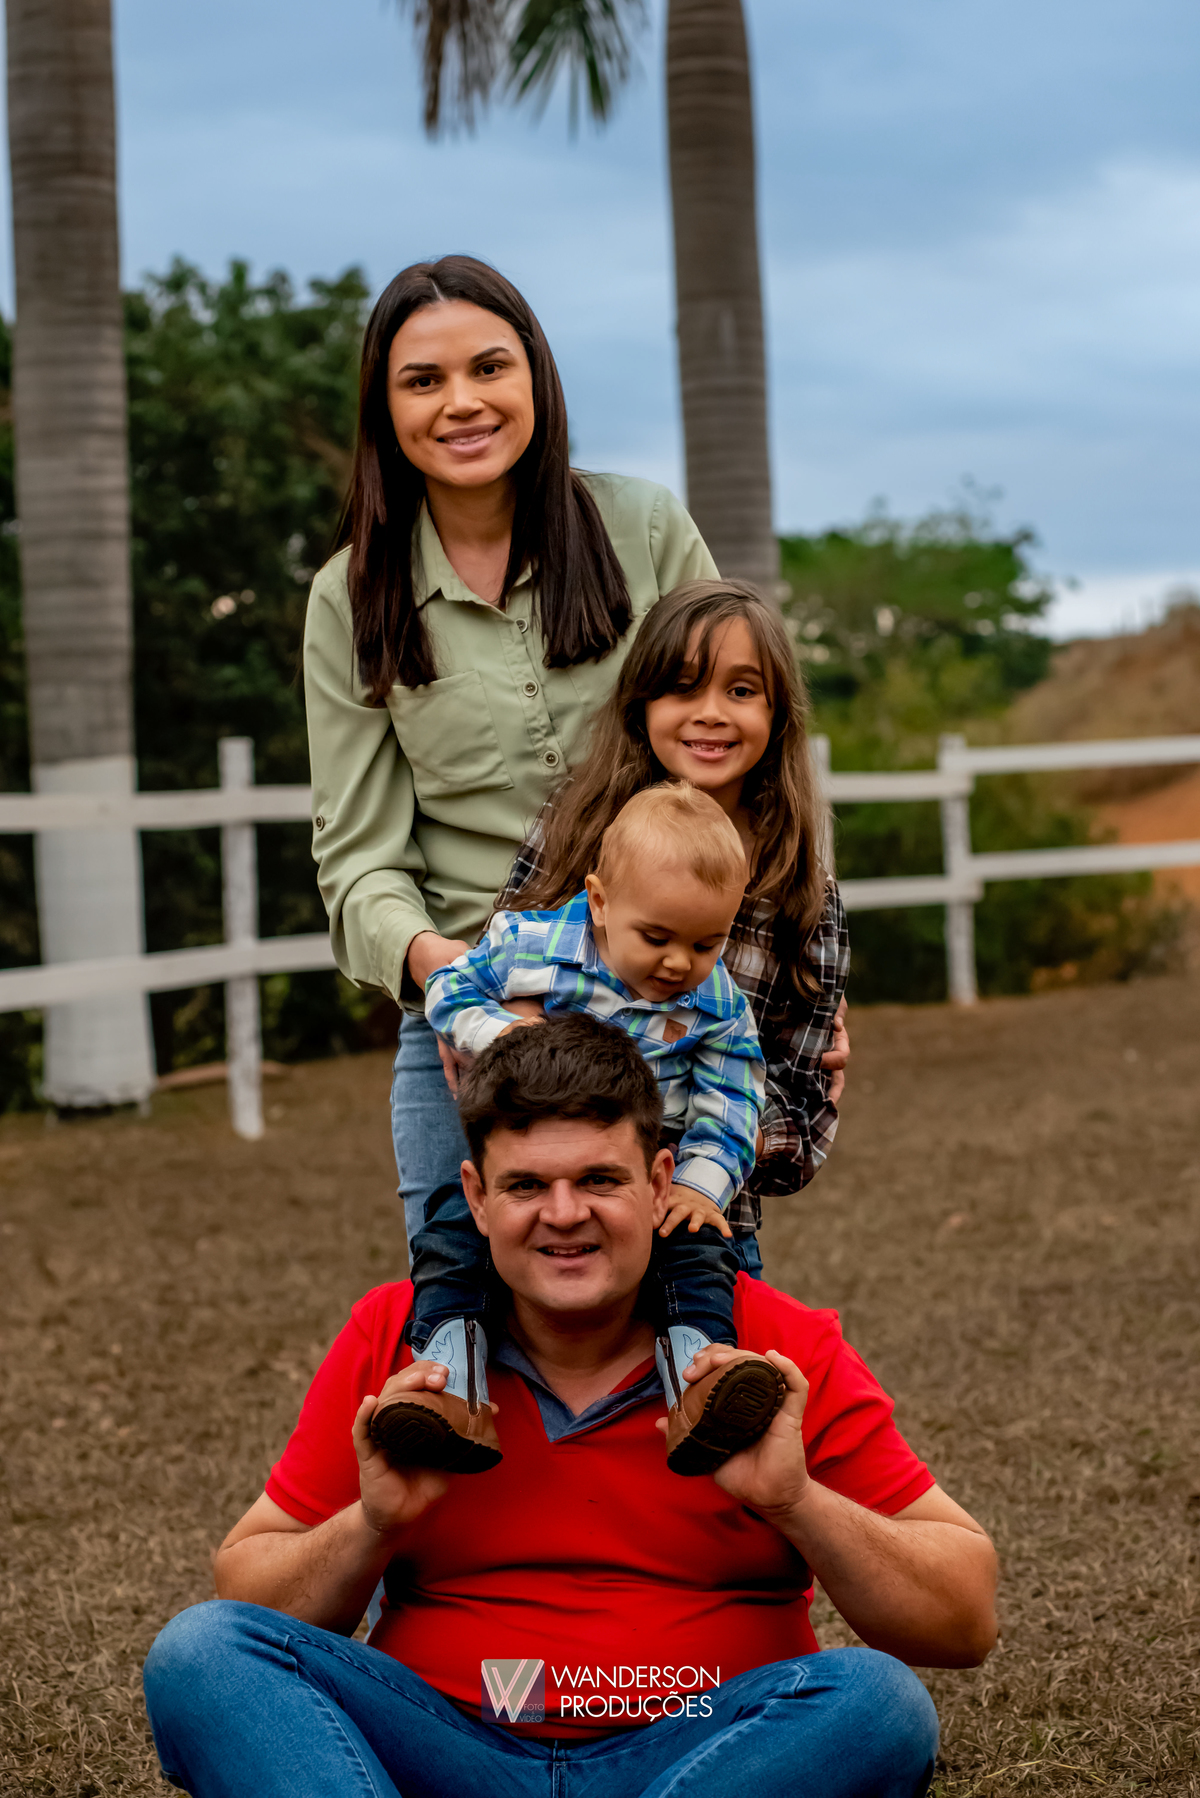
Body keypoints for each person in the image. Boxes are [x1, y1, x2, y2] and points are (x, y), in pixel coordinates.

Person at [143, 1017, 998, 1798]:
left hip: (706, 1743)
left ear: (659, 1182)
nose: (564, 1215)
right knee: (203, 1653)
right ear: (476, 1197)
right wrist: (372, 1524)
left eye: (598, 1179)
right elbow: (248, 1595)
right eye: (526, 1186)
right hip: (446, 1744)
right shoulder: (399, 1338)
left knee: (876, 1701)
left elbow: (963, 1619)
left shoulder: (770, 1346)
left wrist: (796, 1501)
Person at [303, 253, 726, 1260]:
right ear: (385, 409)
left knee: (693, 1285)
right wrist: (447, 979)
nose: (462, 402)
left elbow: (740, 768)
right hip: (473, 1012)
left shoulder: (647, 530)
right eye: (423, 380)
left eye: (489, 367)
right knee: (456, 1294)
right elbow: (359, 860)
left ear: (535, 375)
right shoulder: (350, 601)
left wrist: (799, 993)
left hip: (666, 1002)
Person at [384, 783, 782, 1477]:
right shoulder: (530, 944)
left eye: (706, 942)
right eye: (655, 938)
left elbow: (734, 1101)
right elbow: (448, 988)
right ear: (599, 901)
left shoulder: (718, 1003)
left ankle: (702, 1382)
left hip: (638, 1175)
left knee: (697, 1257)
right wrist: (501, 1034)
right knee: (451, 1238)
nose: (678, 963)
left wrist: (698, 1187)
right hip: (532, 1142)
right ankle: (448, 1384)